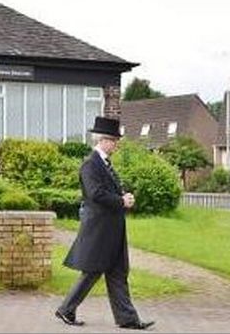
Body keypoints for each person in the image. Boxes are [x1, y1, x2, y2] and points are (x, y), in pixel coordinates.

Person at [54, 116, 155, 330]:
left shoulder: (105, 164)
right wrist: (121, 200)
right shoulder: (90, 164)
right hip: (99, 229)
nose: (117, 145)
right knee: (92, 271)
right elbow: (95, 193)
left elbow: (107, 191)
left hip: (112, 228)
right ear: (104, 140)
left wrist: (124, 197)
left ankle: (128, 319)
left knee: (118, 272)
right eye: (115, 141)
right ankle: (66, 309)